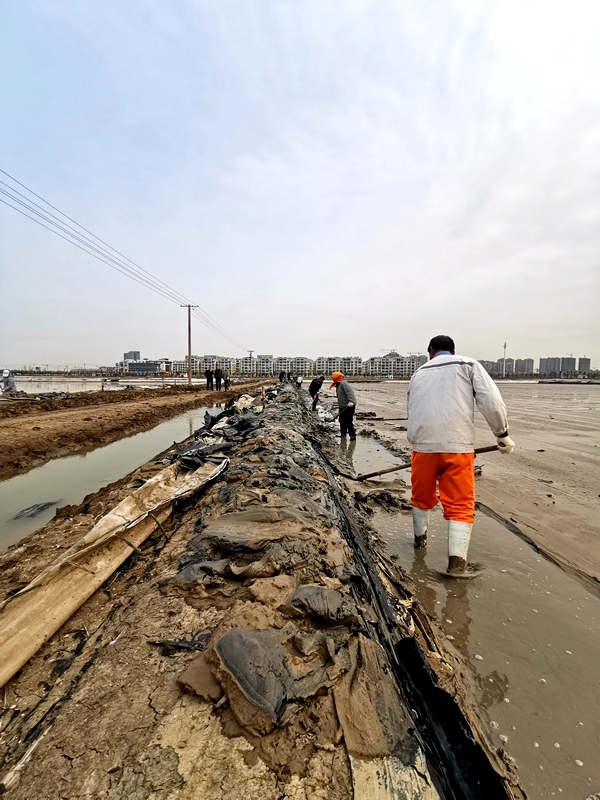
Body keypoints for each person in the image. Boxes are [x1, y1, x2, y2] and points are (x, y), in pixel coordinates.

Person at [407, 335, 515, 576]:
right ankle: (456, 566)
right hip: (457, 446)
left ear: (430, 351)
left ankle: (419, 544)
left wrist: (415, 440)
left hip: (422, 447)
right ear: (452, 351)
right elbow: (491, 401)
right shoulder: (467, 364)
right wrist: (502, 433)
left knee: (420, 497)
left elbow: (411, 408)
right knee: (460, 504)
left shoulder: (419, 373)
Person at [329, 372, 357, 440]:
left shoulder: (344, 383)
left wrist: (352, 401)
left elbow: (350, 393)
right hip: (342, 406)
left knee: (348, 422)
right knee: (341, 420)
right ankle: (343, 434)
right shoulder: (339, 385)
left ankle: (352, 436)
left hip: (349, 406)